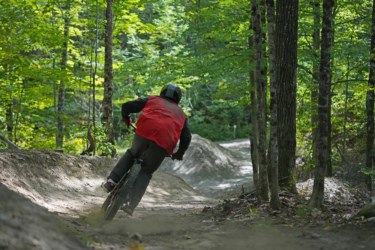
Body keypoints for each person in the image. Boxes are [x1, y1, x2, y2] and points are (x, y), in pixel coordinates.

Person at [101, 83, 192, 215]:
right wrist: (179, 153)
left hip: (144, 131)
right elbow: (186, 137)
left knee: (132, 153)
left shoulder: (153, 100)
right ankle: (131, 204)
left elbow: (127, 106)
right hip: (164, 142)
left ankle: (111, 181)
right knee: (146, 171)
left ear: (162, 92)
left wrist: (126, 118)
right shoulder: (182, 115)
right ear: (178, 98)